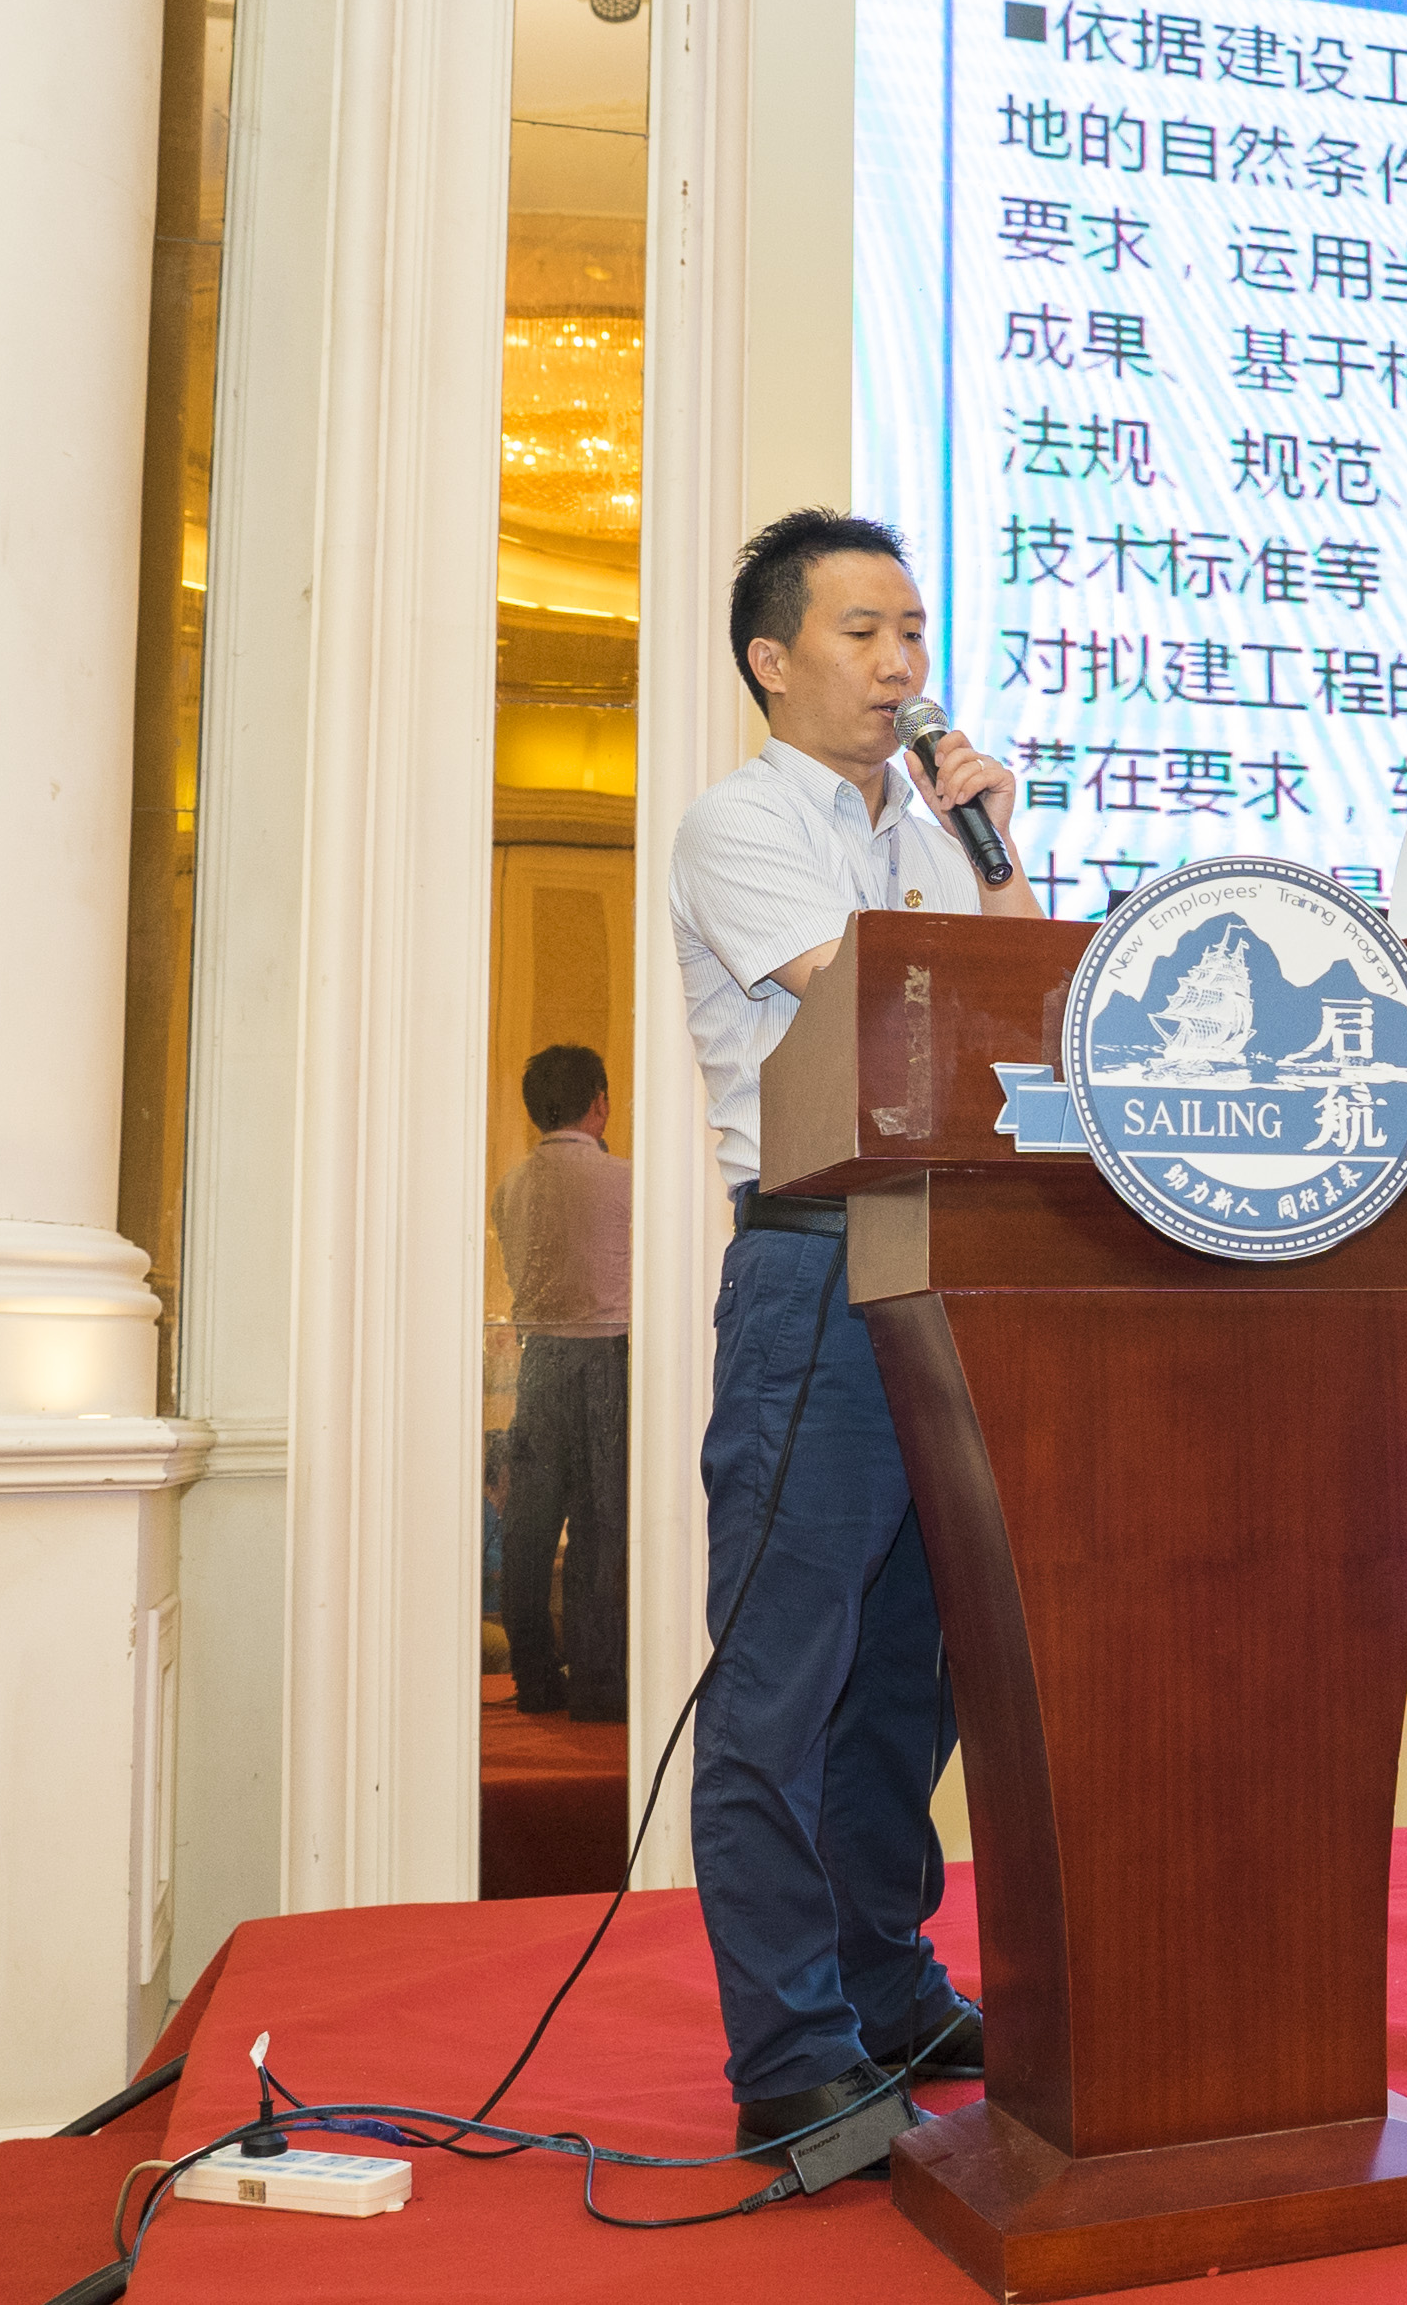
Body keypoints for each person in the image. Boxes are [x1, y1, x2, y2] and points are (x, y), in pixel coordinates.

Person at [668, 508, 1037, 2167]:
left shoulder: (942, 830)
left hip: (948, 1269)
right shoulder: (741, 824)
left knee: (909, 1670)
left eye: (912, 634)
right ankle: (793, 2051)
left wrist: (996, 851)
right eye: (862, 633)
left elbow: (1034, 1013)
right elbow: (874, 1004)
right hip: (815, 1273)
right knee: (786, 1674)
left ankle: (887, 1987)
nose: (900, 666)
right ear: (772, 658)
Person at [491, 1042, 631, 1722]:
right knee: (601, 1526)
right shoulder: (626, 1181)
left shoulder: (510, 1186)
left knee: (530, 1526)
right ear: (599, 1102)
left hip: (539, 1358)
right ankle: (598, 1684)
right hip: (608, 1356)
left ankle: (537, 1677)